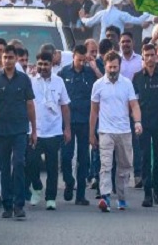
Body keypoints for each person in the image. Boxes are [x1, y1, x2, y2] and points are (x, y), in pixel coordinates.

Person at [0, 44, 37, 220]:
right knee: (4, 167)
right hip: (1, 129)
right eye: (5, 57)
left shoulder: (24, 79)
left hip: (20, 128)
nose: (7, 60)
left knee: (19, 163)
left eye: (10, 57)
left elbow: (30, 105)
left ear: (15, 59)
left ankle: (19, 205)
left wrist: (34, 129)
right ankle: (7, 204)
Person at [90, 51, 143, 212]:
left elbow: (134, 105)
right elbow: (93, 111)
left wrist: (138, 122)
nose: (113, 70)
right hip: (105, 131)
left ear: (119, 66)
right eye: (110, 67)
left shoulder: (127, 83)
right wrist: (91, 133)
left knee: (125, 165)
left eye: (115, 67)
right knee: (105, 165)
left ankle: (121, 197)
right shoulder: (98, 85)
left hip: (124, 131)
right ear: (105, 66)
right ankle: (105, 197)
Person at [26, 51, 71, 210]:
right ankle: (36, 187)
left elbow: (65, 106)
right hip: (35, 131)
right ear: (36, 64)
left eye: (46, 64)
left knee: (52, 166)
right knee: (31, 163)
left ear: (52, 65)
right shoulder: (30, 81)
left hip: (54, 130)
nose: (43, 67)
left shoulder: (59, 82)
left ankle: (51, 197)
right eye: (40, 64)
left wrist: (67, 129)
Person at [132, 43, 158, 208]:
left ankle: (157, 190)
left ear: (156, 56)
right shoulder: (137, 77)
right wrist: (136, 121)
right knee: (144, 157)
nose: (150, 58)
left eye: (152, 55)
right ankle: (147, 192)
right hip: (143, 121)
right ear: (142, 57)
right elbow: (133, 101)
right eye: (146, 55)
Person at [59, 45, 96, 205]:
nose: (81, 63)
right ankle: (69, 181)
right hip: (68, 121)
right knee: (66, 156)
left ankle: (81, 195)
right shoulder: (63, 73)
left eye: (83, 60)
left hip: (85, 121)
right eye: (78, 59)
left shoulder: (90, 73)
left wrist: (94, 67)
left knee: (84, 159)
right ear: (73, 56)